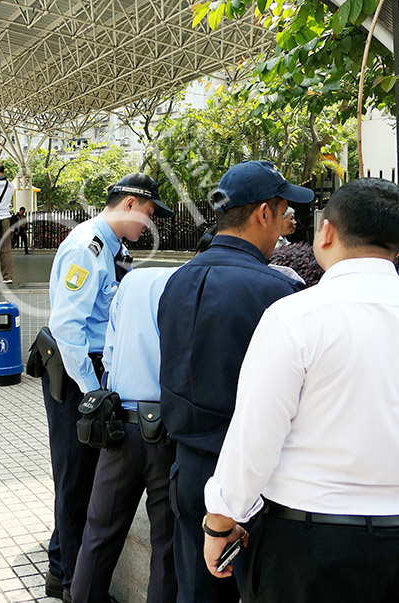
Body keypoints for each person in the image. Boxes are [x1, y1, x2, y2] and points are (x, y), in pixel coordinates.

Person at [202, 178, 399, 602]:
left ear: (326, 232)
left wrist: (220, 520)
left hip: (309, 543)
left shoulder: (296, 317)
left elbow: (254, 438)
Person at [157, 160, 312, 603]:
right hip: (249, 480)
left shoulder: (177, 280)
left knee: (198, 591)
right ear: (263, 213)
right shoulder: (277, 293)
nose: (286, 226)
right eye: (284, 213)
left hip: (187, 468)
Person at [42, 173, 173, 601]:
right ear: (131, 204)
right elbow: (67, 326)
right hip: (77, 371)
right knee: (75, 475)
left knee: (85, 474)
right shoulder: (87, 247)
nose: (149, 225)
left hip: (93, 371)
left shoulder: (114, 248)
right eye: (149, 215)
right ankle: (65, 576)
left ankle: (65, 565)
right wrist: (93, 390)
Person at [71, 267, 179, 603]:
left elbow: (110, 351)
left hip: (121, 425)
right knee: (166, 541)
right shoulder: (188, 286)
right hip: (166, 432)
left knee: (100, 531)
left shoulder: (132, 281)